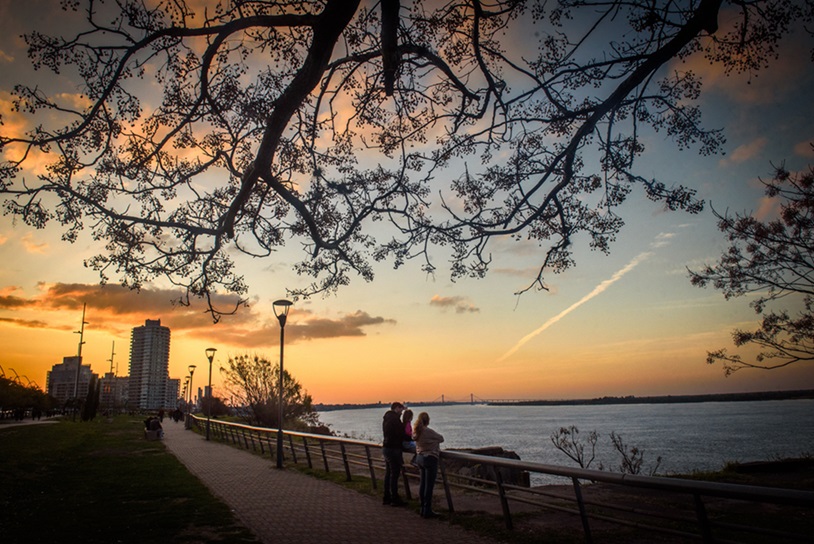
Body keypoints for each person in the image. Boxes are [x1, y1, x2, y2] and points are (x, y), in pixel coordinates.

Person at [413, 411, 444, 518]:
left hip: (419, 458)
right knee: (429, 486)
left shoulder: (416, 431)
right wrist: (434, 443)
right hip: (430, 458)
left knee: (423, 484)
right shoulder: (428, 431)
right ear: (428, 420)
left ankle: (422, 508)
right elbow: (441, 438)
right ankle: (427, 510)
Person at [381, 401, 406, 506]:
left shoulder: (386, 418)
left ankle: (386, 497)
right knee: (394, 474)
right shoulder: (395, 420)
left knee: (388, 473)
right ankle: (395, 498)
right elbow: (401, 433)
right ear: (396, 408)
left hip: (386, 447)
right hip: (394, 448)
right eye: (401, 409)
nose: (401, 412)